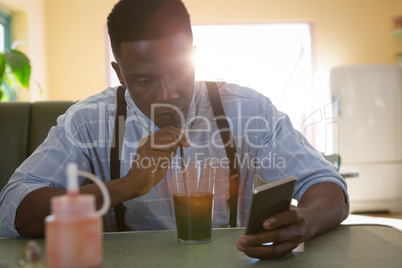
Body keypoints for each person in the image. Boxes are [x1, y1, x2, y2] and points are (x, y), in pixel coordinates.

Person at [0, 0, 349, 260]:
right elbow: (12, 210)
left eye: (179, 71)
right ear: (120, 74)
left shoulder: (248, 109)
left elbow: (325, 184)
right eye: (143, 80)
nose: (167, 94)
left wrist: (306, 219)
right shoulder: (87, 122)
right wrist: (124, 187)